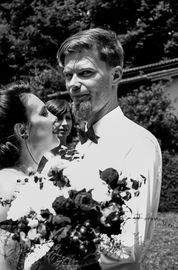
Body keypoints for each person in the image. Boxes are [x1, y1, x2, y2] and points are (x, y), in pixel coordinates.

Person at [56, 28, 162, 270]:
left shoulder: (138, 143)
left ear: (115, 76)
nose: (73, 84)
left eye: (85, 73)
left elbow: (127, 246)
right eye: (68, 75)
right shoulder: (81, 144)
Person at [0, 83, 59, 270]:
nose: (54, 117)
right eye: (44, 113)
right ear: (22, 130)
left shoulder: (31, 178)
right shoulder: (9, 189)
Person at [38, 98, 76, 172]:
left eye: (68, 118)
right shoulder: (38, 159)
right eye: (59, 118)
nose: (65, 123)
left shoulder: (77, 154)